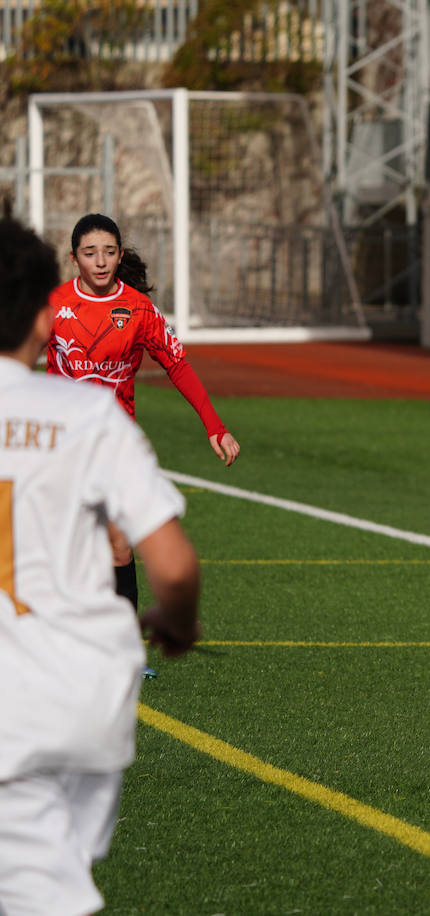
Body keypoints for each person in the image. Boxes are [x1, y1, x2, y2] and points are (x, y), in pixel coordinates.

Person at [0, 217, 201, 916]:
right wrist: (174, 624)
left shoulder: (127, 324)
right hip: (81, 698)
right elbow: (172, 566)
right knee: (52, 885)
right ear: (40, 317)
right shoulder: (89, 418)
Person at [46, 213, 237, 677]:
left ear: (120, 254)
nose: (101, 261)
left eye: (109, 251)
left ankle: (122, 650)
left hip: (113, 445)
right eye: (90, 253)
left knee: (118, 548)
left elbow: (178, 364)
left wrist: (214, 424)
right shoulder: (52, 304)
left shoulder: (137, 310)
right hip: (58, 443)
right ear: (73, 258)